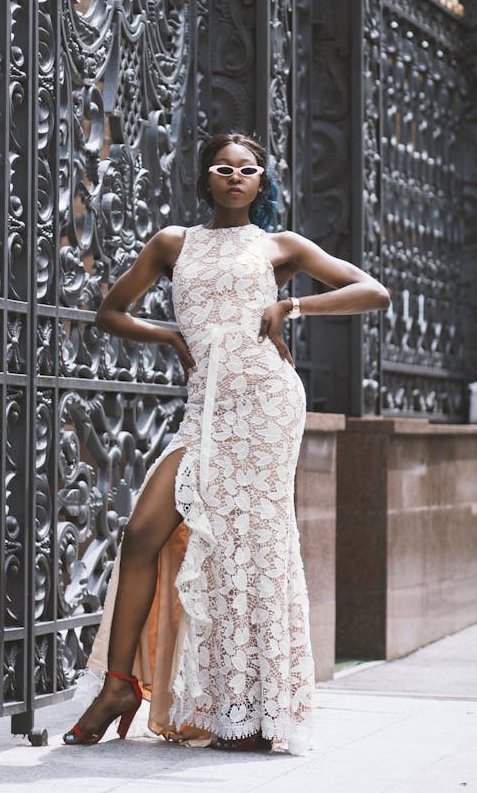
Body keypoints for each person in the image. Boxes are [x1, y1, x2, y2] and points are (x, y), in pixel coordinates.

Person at [63, 132, 390, 755]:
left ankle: (250, 706)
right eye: (223, 168)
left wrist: (293, 307)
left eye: (248, 170)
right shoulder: (171, 243)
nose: (235, 177)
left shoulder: (279, 246)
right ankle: (117, 686)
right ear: (205, 178)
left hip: (265, 404)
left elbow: (373, 291)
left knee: (252, 544)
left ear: (261, 183)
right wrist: (167, 335)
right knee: (143, 531)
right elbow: (110, 312)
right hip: (203, 410)